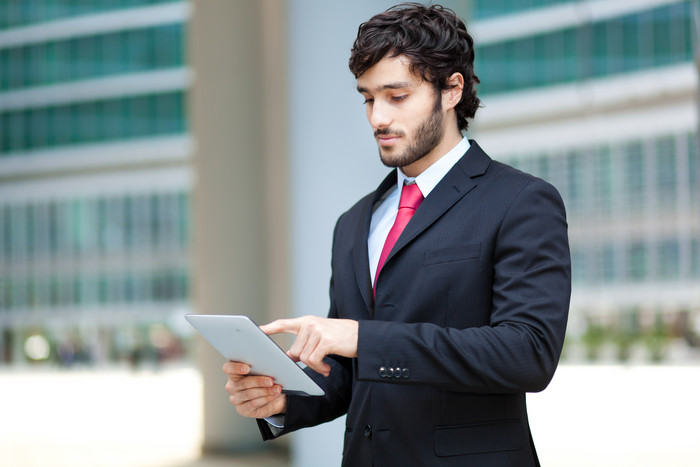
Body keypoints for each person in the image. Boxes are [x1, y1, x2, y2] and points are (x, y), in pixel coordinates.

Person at [223, 3, 571, 466]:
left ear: (451, 90)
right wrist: (281, 402)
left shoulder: (521, 201)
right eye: (368, 98)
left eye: (396, 96)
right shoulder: (354, 222)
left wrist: (364, 337)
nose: (377, 118)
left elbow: (527, 353)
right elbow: (348, 374)